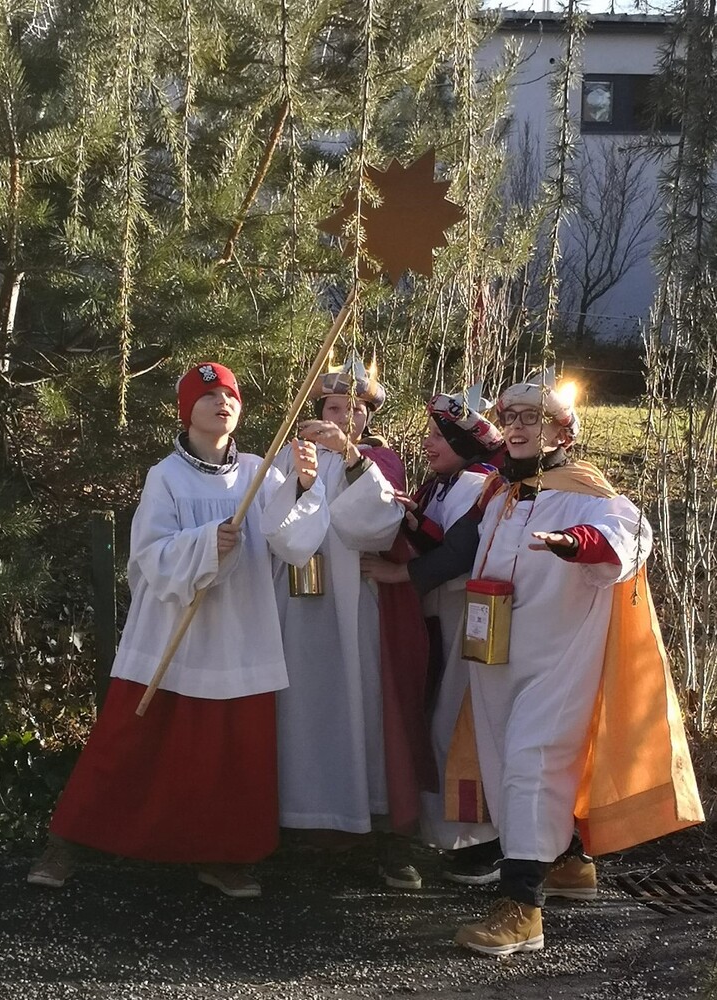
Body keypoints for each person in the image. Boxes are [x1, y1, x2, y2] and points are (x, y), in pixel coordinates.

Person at [416, 375, 702, 955]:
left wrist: (579, 543)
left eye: (533, 417)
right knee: (507, 764)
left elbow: (632, 534)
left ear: (559, 432)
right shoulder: (501, 492)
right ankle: (569, 860)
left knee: (532, 764)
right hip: (496, 658)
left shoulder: (587, 492)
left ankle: (523, 910)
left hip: (558, 661)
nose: (518, 426)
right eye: (511, 417)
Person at [27, 361, 329, 898]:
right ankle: (68, 841)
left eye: (231, 396)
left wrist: (305, 486)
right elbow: (148, 556)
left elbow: (292, 543)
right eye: (209, 395)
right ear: (187, 410)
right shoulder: (165, 476)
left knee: (232, 752)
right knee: (130, 740)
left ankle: (225, 854)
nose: (223, 402)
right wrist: (206, 543)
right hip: (174, 630)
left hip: (240, 631)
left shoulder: (260, 471)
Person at [273, 355, 434, 889]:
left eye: (355, 409)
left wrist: (347, 457)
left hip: (357, 602)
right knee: (304, 702)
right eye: (335, 408)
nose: (345, 417)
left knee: (363, 703)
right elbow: (273, 521)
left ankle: (382, 830)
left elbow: (377, 526)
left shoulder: (379, 460)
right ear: (318, 411)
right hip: (298, 601)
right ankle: (306, 821)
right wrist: (299, 483)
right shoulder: (291, 454)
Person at [361, 391, 506, 884]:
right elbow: (438, 536)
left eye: (438, 437)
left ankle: (481, 841)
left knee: (458, 723)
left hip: (467, 618)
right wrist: (411, 518)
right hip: (442, 617)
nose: (428, 443)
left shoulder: (480, 484)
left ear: (465, 444)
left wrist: (398, 574)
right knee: (438, 719)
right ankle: (450, 833)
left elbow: (460, 550)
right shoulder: (443, 485)